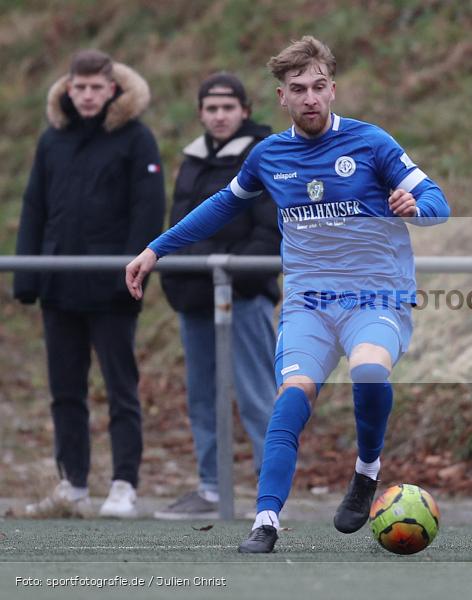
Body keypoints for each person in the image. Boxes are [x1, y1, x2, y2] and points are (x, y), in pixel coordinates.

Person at [125, 36, 449, 552]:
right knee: (290, 399)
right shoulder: (269, 155)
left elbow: (438, 200)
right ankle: (267, 521)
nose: (310, 98)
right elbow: (220, 205)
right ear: (282, 98)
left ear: (333, 89)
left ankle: (367, 471)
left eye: (319, 87)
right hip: (308, 305)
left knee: (368, 371)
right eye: (298, 89)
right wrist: (156, 250)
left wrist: (417, 206)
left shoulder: (371, 143)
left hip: (376, 298)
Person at [14, 49, 165, 518]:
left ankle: (123, 485)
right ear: (68, 87)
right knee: (65, 390)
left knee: (121, 388)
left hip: (112, 290)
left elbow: (147, 210)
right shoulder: (52, 139)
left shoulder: (136, 139)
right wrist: (28, 274)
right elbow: (34, 207)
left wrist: (131, 272)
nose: (86, 95)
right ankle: (72, 484)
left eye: (95, 87)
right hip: (59, 288)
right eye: (79, 87)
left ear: (112, 88)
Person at [153, 73, 280, 520]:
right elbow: (178, 225)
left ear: (245, 111)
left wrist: (234, 274)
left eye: (228, 108)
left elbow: (270, 230)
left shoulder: (264, 155)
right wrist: (178, 280)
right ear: (201, 114)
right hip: (194, 298)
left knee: (256, 395)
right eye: (211, 109)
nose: (220, 116)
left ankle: (272, 494)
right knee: (203, 396)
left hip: (243, 296)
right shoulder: (191, 159)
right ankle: (210, 488)